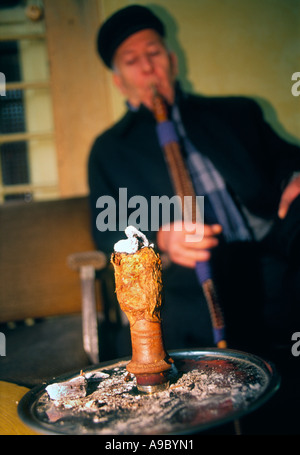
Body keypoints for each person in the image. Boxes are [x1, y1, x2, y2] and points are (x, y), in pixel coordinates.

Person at [88, 5, 300, 357]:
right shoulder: (110, 150)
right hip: (190, 280)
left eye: (154, 52)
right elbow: (106, 230)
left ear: (171, 60)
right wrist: (160, 240)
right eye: (131, 60)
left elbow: (286, 158)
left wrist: (295, 175)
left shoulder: (236, 112)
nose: (147, 66)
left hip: (272, 251)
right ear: (118, 80)